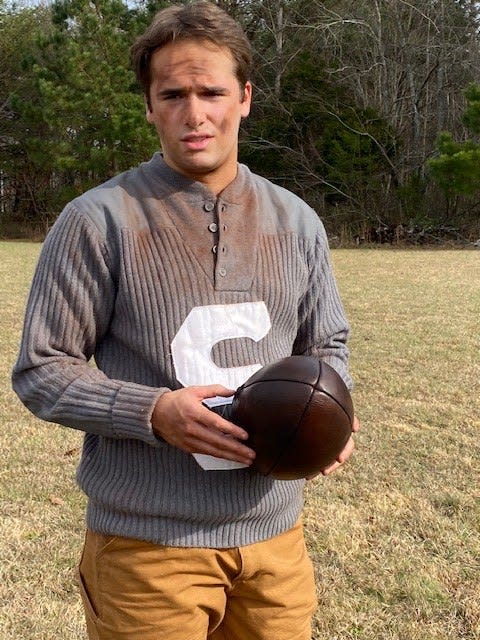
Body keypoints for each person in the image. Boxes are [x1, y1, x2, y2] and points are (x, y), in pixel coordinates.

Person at [12, 2, 359, 639]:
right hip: (148, 550)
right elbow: (42, 369)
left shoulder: (297, 220)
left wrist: (329, 412)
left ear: (245, 97)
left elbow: (326, 341)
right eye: (172, 93)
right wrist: (153, 413)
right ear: (149, 104)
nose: (194, 114)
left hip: (275, 541)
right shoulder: (100, 220)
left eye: (212, 91)